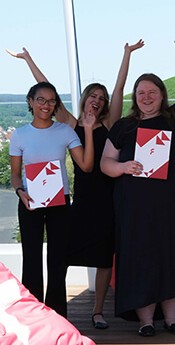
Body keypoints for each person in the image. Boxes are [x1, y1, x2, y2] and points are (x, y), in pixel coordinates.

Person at [7, 40, 144, 329]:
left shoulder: (110, 123)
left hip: (106, 195)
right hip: (78, 197)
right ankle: (41, 314)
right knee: (59, 256)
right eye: (93, 95)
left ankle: (96, 311)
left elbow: (119, 88)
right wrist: (28, 60)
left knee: (103, 255)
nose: (98, 100)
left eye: (102, 98)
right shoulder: (70, 123)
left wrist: (127, 54)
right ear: (84, 98)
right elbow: (48, 94)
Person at [100, 39, 175, 336]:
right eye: (141, 93)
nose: (146, 97)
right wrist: (124, 167)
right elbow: (105, 163)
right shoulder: (123, 126)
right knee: (142, 262)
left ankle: (172, 319)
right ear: (134, 97)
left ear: (162, 95)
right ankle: (146, 322)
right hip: (137, 211)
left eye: (152, 92)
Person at [10, 82, 95, 318]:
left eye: (51, 101)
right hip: (29, 201)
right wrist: (20, 192)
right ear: (30, 101)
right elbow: (15, 175)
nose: (46, 105)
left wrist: (88, 130)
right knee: (32, 260)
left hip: (59, 202)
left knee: (58, 260)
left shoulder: (65, 131)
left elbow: (86, 166)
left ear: (56, 104)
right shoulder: (20, 134)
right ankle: (33, 316)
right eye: (41, 100)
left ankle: (57, 316)